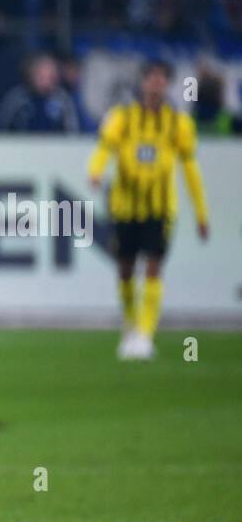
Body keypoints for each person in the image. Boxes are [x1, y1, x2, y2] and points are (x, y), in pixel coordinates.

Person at [87, 59, 209, 360]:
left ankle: (145, 332)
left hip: (160, 209)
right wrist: (95, 171)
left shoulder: (178, 124)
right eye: (151, 77)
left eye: (161, 78)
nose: (156, 83)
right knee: (125, 268)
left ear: (167, 83)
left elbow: (191, 169)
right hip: (125, 207)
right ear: (142, 82)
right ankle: (130, 325)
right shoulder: (122, 117)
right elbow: (104, 147)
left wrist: (201, 214)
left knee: (154, 266)